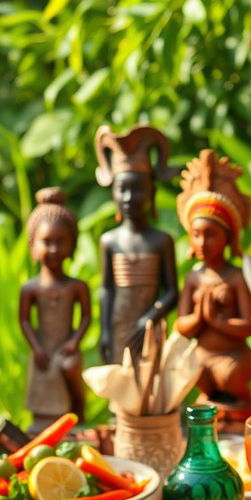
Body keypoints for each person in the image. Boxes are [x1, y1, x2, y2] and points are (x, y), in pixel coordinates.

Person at [175, 150, 251, 416]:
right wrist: (200, 316)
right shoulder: (194, 278)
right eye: (196, 235)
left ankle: (240, 402)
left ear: (227, 237)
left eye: (210, 235)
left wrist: (219, 322)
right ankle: (211, 399)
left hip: (232, 356)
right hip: (202, 355)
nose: (201, 243)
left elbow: (249, 326)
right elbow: (182, 326)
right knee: (193, 374)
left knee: (229, 377)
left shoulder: (234, 277)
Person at [94, 124, 178, 365]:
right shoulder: (109, 241)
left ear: (151, 193)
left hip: (150, 327)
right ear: (114, 194)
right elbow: (107, 289)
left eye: (138, 189)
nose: (129, 198)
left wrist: (151, 317)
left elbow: (171, 291)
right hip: (119, 323)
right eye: (122, 190)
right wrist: (105, 332)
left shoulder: (161, 241)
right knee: (122, 382)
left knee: (152, 381)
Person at [19, 188, 90, 430]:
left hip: (66, 346)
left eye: (61, 242)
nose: (53, 249)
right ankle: (44, 421)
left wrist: (74, 342)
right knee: (44, 377)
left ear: (72, 245)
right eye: (46, 242)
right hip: (43, 347)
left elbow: (86, 318)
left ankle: (76, 413)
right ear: (33, 245)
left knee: (69, 367)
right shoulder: (30, 289)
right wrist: (36, 347)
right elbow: (25, 321)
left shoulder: (77, 287)